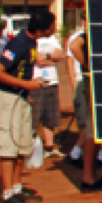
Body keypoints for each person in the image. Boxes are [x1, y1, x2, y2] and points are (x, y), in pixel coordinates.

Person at [0, 10, 56, 203]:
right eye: (51, 26)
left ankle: (17, 188)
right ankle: (7, 193)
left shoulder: (31, 42)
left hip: (21, 97)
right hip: (8, 99)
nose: (54, 29)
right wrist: (26, 85)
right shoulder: (18, 43)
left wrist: (27, 90)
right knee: (8, 147)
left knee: (21, 144)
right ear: (41, 30)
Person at [67, 32, 102, 192]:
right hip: (93, 81)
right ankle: (88, 177)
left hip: (98, 81)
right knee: (92, 128)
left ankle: (91, 175)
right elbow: (74, 45)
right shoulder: (92, 29)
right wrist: (88, 65)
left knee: (96, 129)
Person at [31, 29, 66, 158]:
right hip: (36, 82)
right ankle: (31, 148)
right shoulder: (34, 40)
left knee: (51, 116)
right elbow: (39, 60)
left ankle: (50, 147)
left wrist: (47, 57)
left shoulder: (52, 39)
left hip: (52, 82)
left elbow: (61, 55)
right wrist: (52, 57)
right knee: (34, 116)